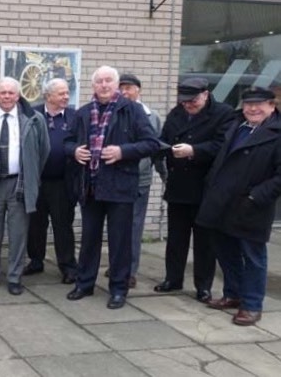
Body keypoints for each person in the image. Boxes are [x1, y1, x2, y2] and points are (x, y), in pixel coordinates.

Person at [65, 66, 161, 309]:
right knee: (89, 240)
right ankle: (84, 284)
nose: (104, 85)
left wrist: (122, 151)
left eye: (108, 80)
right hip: (90, 187)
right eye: (99, 81)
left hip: (120, 186)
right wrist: (74, 151)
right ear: (93, 86)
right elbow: (67, 141)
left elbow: (152, 143)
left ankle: (118, 289)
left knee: (120, 243)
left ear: (116, 85)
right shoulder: (83, 112)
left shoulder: (133, 110)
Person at [196, 87, 281, 326]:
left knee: (253, 256)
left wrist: (256, 196)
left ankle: (252, 305)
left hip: (251, 205)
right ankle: (233, 294)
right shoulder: (237, 125)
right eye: (248, 104)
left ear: (271, 106)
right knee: (226, 251)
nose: (252, 109)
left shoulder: (276, 133)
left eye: (258, 104)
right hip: (222, 201)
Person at [154, 77, 235, 303]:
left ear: (205, 94)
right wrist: (162, 149)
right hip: (179, 186)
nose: (188, 105)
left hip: (206, 187)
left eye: (193, 101)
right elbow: (164, 138)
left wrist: (194, 150)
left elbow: (222, 145)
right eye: (184, 101)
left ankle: (203, 286)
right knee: (176, 238)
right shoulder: (176, 113)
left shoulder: (224, 114)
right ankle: (173, 279)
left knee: (204, 242)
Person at [0, 77, 49, 296]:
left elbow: (43, 150)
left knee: (18, 234)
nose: (7, 96)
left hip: (20, 183)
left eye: (11, 93)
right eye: (3, 93)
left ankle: (15, 277)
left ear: (18, 96)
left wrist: (32, 176)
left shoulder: (34, 119)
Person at [115, 73, 166, 288]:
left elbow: (158, 148)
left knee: (134, 227)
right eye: (121, 88)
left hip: (140, 180)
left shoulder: (152, 117)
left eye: (128, 88)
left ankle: (130, 271)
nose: (124, 92)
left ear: (139, 90)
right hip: (116, 179)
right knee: (117, 226)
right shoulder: (113, 113)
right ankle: (118, 265)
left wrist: (164, 176)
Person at [25, 78, 78, 284]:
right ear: (48, 96)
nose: (66, 96)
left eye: (67, 93)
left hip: (62, 183)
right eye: (61, 93)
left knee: (62, 226)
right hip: (36, 181)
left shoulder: (74, 117)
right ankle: (35, 261)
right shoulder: (32, 114)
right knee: (35, 225)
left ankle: (68, 266)